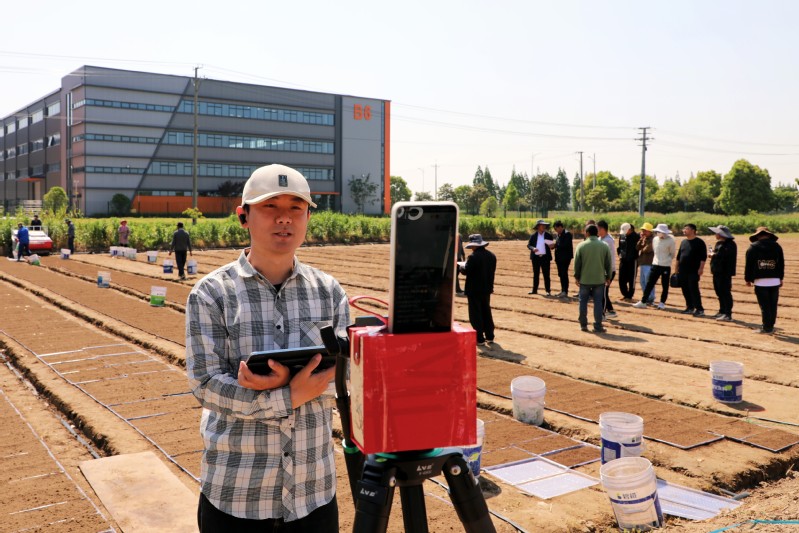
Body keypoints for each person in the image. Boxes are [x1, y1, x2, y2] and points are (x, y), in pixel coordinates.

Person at [186, 164, 349, 531]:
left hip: (313, 494)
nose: (284, 218)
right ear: (243, 216)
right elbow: (206, 384)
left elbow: (349, 376)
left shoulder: (329, 292)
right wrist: (290, 395)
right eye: (270, 206)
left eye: (296, 208)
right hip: (237, 494)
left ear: (308, 217)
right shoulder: (212, 294)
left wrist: (284, 385)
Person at [744, 227, 784, 334]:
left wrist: (747, 279)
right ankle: (771, 326)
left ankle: (767, 328)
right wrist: (781, 278)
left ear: (757, 236)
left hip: (760, 281)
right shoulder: (777, 247)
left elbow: (749, 264)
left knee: (764, 306)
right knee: (773, 305)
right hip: (774, 280)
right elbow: (781, 263)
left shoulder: (752, 248)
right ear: (769, 235)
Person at [461, 233, 497, 347]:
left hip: (474, 290)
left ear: (474, 245)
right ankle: (490, 336)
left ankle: (479, 338)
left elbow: (466, 271)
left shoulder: (473, 257)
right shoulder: (492, 255)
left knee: (476, 314)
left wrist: (461, 267)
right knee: (486, 312)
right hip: (487, 289)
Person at [574, 224, 611, 333]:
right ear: (597, 233)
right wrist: (608, 277)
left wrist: (577, 276)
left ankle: (583, 325)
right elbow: (608, 263)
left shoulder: (581, 246)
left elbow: (577, 263)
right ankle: (598, 326)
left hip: (585, 279)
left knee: (583, 301)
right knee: (598, 302)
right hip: (599, 280)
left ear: (587, 233)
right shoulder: (604, 246)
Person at [634, 223, 676, 310]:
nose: (658, 233)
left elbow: (672, 254)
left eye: (660, 232)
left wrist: (666, 260)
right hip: (655, 264)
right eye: (657, 232)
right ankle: (643, 301)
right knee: (650, 283)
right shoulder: (655, 239)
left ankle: (662, 303)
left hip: (665, 266)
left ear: (665, 233)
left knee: (665, 285)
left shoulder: (670, 240)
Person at [675, 223, 707, 317]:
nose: (684, 230)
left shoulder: (699, 242)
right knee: (685, 289)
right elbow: (679, 256)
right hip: (683, 270)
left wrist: (701, 268)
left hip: (693, 271)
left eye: (686, 229)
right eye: (684, 229)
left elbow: (703, 257)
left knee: (694, 289)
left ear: (693, 230)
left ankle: (699, 309)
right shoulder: (683, 242)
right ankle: (689, 307)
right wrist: (676, 268)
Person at [708, 225, 737, 322]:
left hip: (725, 272)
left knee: (725, 292)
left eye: (717, 233)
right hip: (717, 271)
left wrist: (714, 255)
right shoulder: (719, 243)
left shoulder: (730, 244)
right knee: (719, 292)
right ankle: (722, 311)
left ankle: (728, 314)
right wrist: (713, 254)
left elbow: (724, 256)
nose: (715, 234)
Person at [597, 220, 618, 319]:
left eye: (598, 229)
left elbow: (606, 257)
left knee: (603, 292)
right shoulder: (600, 239)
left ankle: (602, 314)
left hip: (608, 270)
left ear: (602, 229)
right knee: (603, 291)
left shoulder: (608, 240)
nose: (597, 231)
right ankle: (611, 311)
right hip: (603, 269)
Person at [527, 220, 553, 296]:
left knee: (546, 275)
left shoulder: (548, 235)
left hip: (545, 258)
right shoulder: (533, 236)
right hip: (536, 258)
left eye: (544, 225)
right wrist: (533, 248)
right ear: (538, 226)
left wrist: (552, 246)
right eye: (542, 225)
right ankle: (534, 290)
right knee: (536, 274)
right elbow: (529, 245)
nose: (544, 227)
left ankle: (548, 291)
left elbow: (551, 246)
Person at [617, 223, 640, 302]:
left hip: (632, 261)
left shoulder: (637, 237)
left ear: (630, 230)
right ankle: (625, 294)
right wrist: (619, 254)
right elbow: (620, 247)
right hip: (623, 260)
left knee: (631, 279)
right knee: (621, 279)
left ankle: (629, 296)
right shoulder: (622, 236)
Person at [552, 221, 573, 298]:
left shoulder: (567, 234)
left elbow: (564, 245)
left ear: (560, 227)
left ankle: (565, 291)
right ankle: (563, 290)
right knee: (561, 274)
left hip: (565, 258)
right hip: (559, 258)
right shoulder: (559, 235)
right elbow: (559, 244)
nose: (555, 230)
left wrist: (555, 245)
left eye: (556, 228)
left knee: (564, 274)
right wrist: (553, 246)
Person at [636, 223, 655, 305]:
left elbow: (647, 250)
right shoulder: (644, 239)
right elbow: (637, 247)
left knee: (648, 281)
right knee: (642, 281)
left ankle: (651, 297)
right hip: (643, 263)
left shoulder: (653, 240)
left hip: (649, 263)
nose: (643, 232)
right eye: (642, 230)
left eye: (645, 231)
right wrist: (641, 240)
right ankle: (646, 296)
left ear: (650, 231)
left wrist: (643, 245)